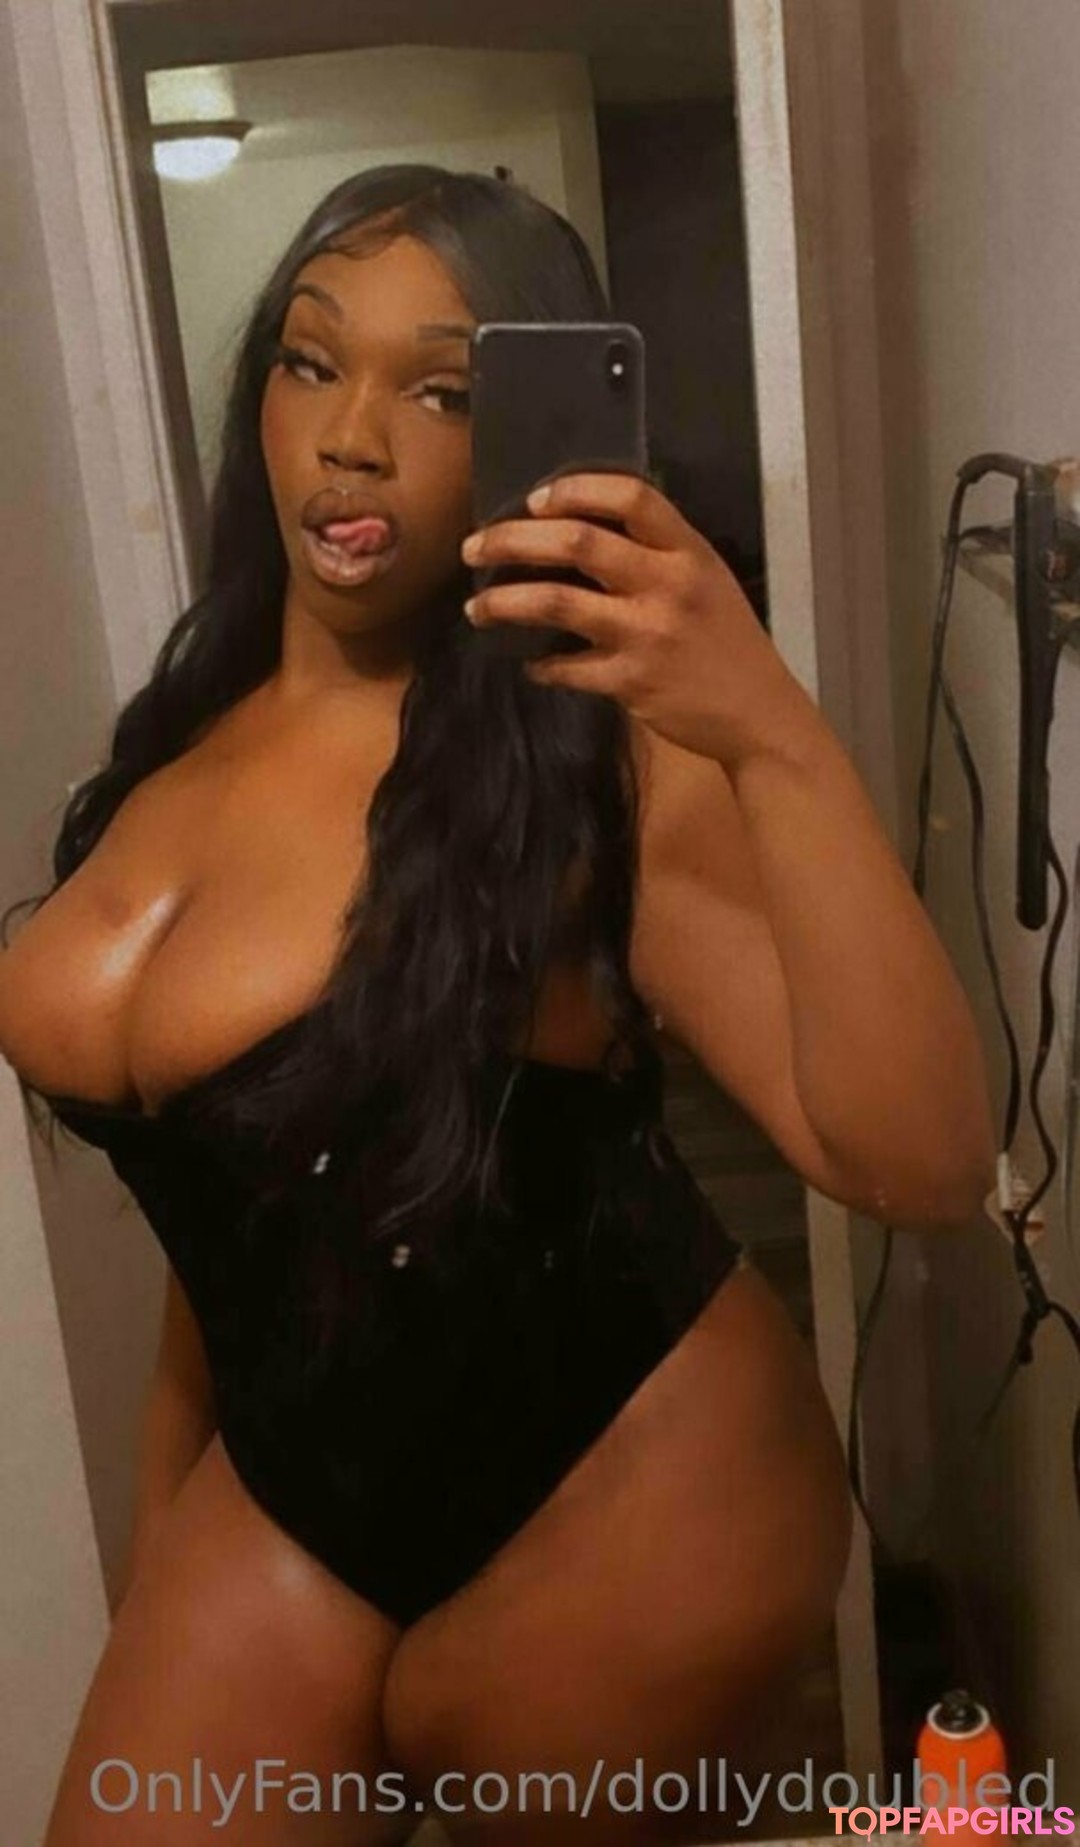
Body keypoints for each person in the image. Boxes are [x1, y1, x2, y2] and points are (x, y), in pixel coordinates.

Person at [0, 166, 995, 1846]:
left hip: (633, 1476)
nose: (351, 438)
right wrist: (168, 1531)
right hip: (297, 1482)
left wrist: (767, 729)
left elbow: (924, 1161)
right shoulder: (180, 734)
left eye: (443, 393)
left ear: (528, 436)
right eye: (311, 361)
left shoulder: (586, 749)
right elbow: (237, 1192)